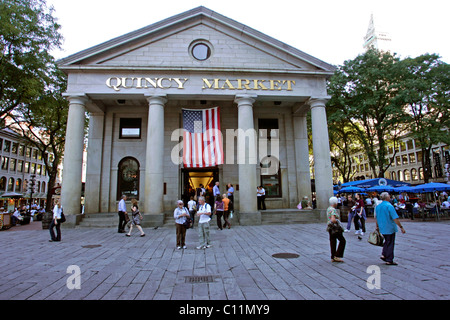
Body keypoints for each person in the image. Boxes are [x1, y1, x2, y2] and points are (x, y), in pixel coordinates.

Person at [375, 192, 406, 265]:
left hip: (382, 227)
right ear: (387, 198)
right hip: (389, 227)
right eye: (389, 196)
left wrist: (377, 226)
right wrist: (401, 227)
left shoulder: (378, 206)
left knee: (387, 241)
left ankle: (384, 254)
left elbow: (377, 217)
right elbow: (395, 218)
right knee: (390, 242)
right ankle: (389, 259)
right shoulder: (389, 206)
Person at [326, 196, 346, 262]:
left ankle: (333, 256)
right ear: (335, 203)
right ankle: (337, 255)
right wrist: (337, 221)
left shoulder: (329, 208)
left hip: (330, 227)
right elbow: (333, 219)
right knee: (342, 241)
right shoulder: (333, 210)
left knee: (333, 241)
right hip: (335, 228)